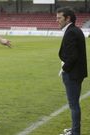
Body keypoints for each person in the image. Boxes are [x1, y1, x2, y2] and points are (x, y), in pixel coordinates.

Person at [57, 7, 87, 135]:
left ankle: (75, 132)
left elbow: (73, 56)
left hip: (72, 74)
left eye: (59, 18)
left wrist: (64, 68)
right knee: (74, 104)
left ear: (67, 18)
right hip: (77, 73)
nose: (57, 20)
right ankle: (75, 130)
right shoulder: (75, 30)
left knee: (74, 105)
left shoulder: (71, 32)